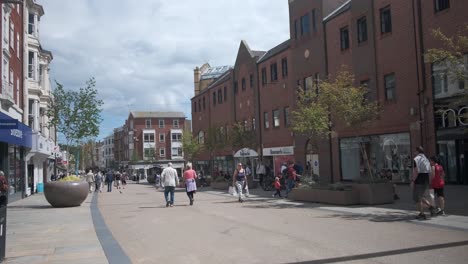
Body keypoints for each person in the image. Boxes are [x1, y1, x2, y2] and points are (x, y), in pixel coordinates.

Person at [412, 146, 436, 220]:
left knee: (417, 198)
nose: (414, 152)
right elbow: (430, 172)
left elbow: (416, 171)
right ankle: (430, 207)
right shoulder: (426, 159)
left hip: (419, 180)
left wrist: (413, 181)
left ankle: (422, 214)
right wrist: (429, 181)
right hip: (426, 179)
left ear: (417, 151)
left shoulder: (416, 159)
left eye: (415, 151)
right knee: (420, 196)